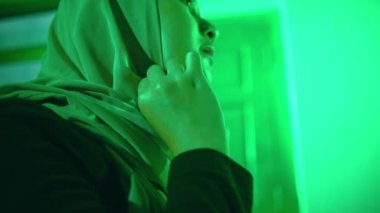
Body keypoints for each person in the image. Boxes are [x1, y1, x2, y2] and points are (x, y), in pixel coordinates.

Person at [0, 0, 253, 212]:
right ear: (117, 17)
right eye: (186, 2)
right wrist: (201, 146)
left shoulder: (157, 171)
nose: (212, 30)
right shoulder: (18, 135)